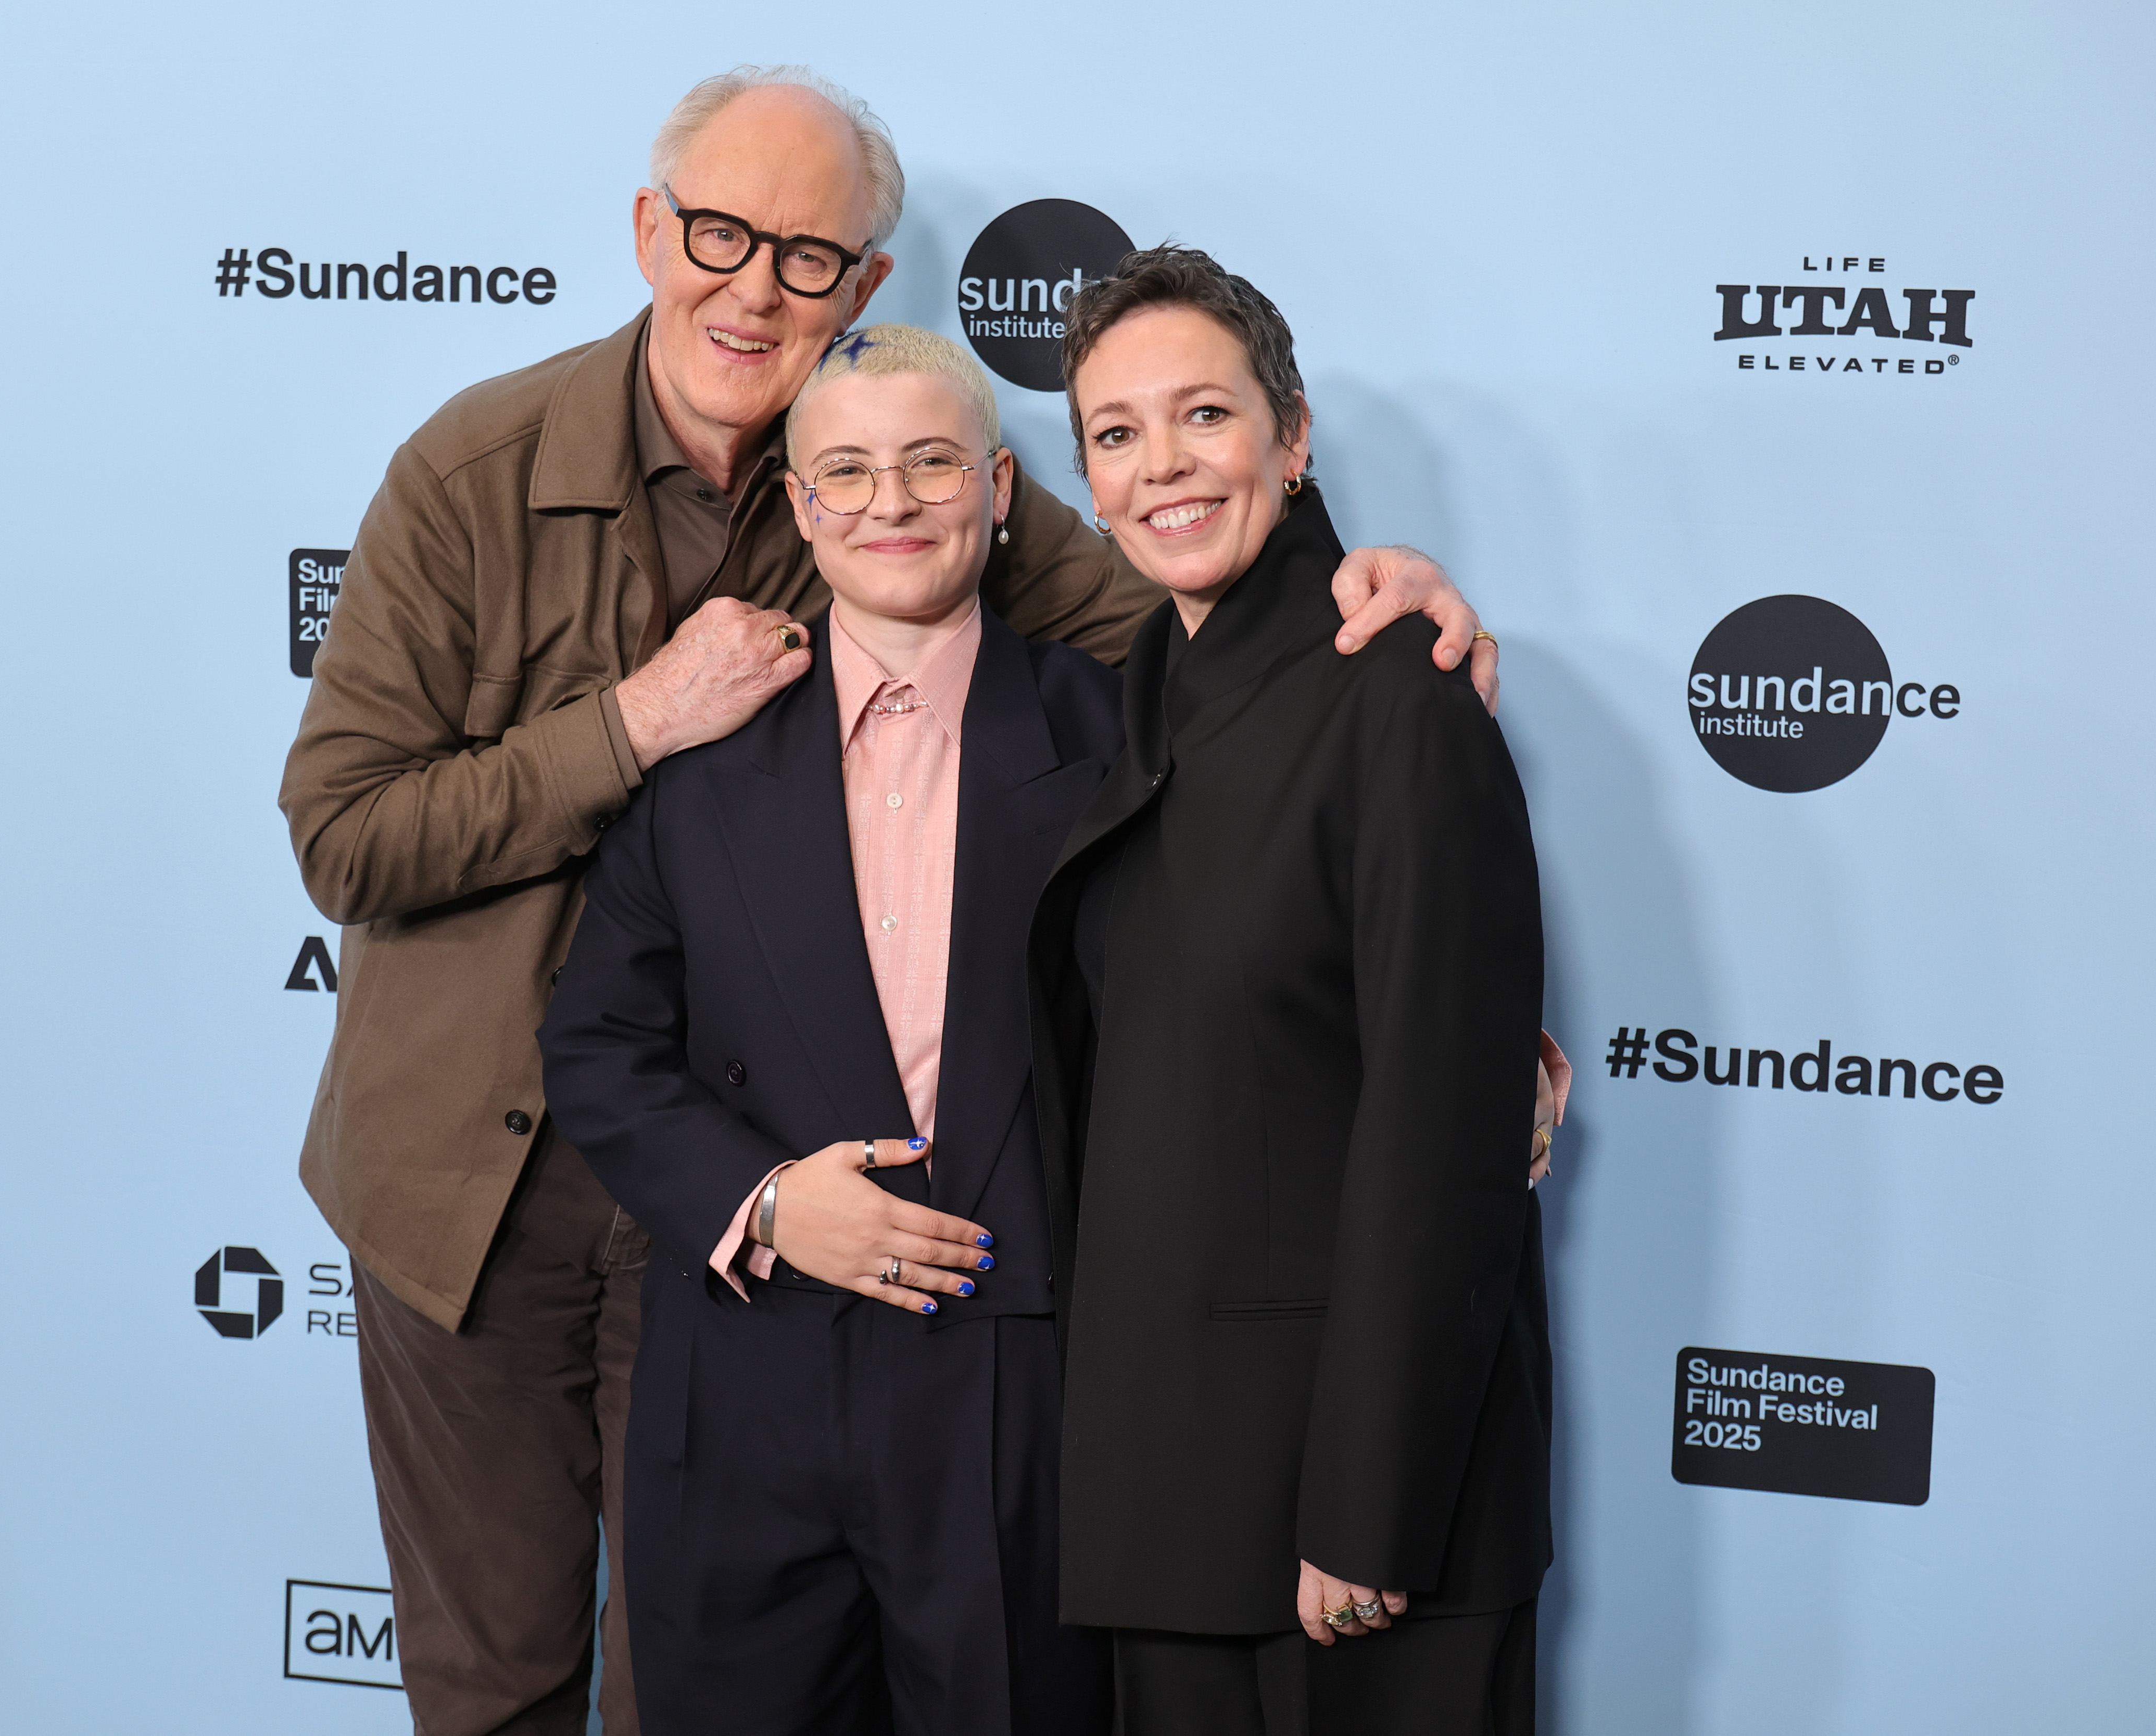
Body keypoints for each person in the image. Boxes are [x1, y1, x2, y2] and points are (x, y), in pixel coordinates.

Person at [279, 65, 1492, 1735]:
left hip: (754, 1247)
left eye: (812, 255)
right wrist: (633, 724)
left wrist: (1361, 587)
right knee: (491, 1677)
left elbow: (1190, 593)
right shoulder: (473, 469)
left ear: (866, 289)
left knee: (679, 1685)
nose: (757, 284)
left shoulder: (903, 465)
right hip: (467, 1197)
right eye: (721, 233)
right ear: (651, 233)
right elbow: (344, 833)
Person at [539, 324, 1119, 1734]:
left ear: (995, 487)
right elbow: (601, 1041)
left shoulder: (1118, 733)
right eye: (846, 471)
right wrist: (766, 1200)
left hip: (1016, 1372)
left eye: (931, 464)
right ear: (800, 509)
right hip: (744, 1379)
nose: (891, 503)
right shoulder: (705, 753)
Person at [1026, 247, 1554, 1735]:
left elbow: (1445, 1127)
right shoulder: (1142, 684)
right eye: (1116, 436)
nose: (1161, 467)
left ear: (1295, 436)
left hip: (1357, 1528)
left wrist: (1371, 1510)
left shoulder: (1396, 693)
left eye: (1205, 416)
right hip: (1171, 1500)